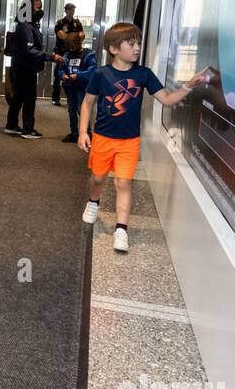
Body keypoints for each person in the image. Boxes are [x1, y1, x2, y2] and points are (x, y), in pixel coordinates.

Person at [77, 22, 206, 251]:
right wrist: (82, 133)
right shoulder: (101, 74)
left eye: (138, 43)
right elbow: (87, 104)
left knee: (123, 182)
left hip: (130, 141)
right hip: (103, 138)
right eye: (131, 43)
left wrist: (188, 86)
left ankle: (121, 229)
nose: (137, 48)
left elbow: (167, 99)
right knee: (97, 178)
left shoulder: (143, 74)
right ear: (114, 49)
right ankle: (93, 202)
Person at [5, 0, 58, 138]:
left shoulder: (28, 24)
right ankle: (28, 129)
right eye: (37, 7)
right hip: (25, 67)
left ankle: (11, 125)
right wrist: (51, 57)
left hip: (22, 66)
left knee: (19, 97)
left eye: (41, 7)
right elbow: (30, 50)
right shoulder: (25, 26)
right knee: (29, 99)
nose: (40, 11)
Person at [59, 31, 94, 143]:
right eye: (69, 47)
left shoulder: (88, 54)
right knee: (71, 110)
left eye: (73, 47)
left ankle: (87, 133)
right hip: (69, 87)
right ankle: (74, 133)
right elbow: (60, 69)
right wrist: (62, 75)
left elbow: (92, 70)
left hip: (82, 87)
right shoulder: (66, 55)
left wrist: (78, 75)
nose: (71, 49)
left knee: (81, 109)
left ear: (78, 43)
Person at [52, 3, 83, 107]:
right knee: (58, 75)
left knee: (74, 74)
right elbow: (61, 35)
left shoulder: (77, 23)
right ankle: (55, 98)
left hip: (74, 53)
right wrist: (73, 38)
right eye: (70, 9)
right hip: (61, 52)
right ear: (66, 10)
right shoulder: (60, 23)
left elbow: (82, 35)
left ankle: (74, 97)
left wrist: (75, 39)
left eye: (73, 9)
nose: (72, 11)